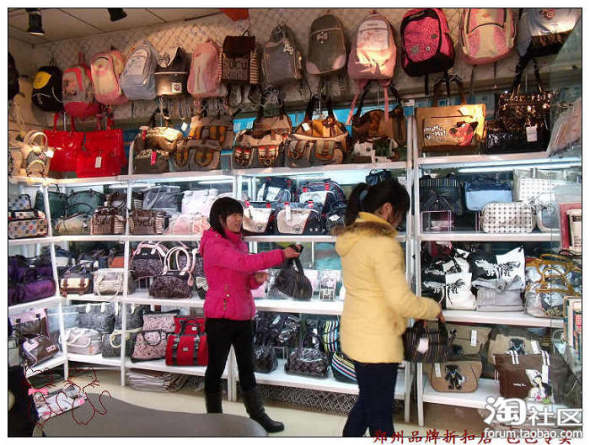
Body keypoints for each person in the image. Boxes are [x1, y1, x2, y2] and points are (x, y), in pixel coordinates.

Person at [334, 178, 444, 437]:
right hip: (378, 341)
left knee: (367, 405)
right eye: (400, 214)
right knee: (380, 417)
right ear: (386, 209)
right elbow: (400, 300)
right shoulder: (383, 245)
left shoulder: (352, 238)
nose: (399, 221)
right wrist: (432, 308)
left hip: (358, 336)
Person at [199, 197, 301, 433]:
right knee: (215, 369)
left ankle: (258, 416)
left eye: (239, 214)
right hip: (220, 318)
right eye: (232, 215)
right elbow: (243, 263)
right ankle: (214, 418)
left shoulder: (239, 244)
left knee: (247, 368)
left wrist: (255, 281)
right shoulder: (214, 245)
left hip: (243, 315)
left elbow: (243, 277)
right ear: (220, 218)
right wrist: (281, 254)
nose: (238, 219)